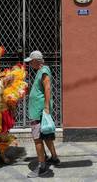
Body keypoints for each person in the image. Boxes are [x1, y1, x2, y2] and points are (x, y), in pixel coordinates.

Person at [24, 50, 60, 178]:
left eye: (31, 62)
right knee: (46, 136)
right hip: (39, 110)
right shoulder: (40, 71)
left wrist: (46, 107)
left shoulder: (44, 71)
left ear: (36, 61)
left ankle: (42, 166)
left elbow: (47, 88)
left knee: (37, 139)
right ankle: (54, 157)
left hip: (39, 111)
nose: (30, 64)